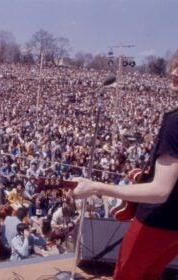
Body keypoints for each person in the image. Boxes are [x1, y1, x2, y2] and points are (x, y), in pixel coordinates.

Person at [72, 51, 178, 279]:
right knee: (150, 275)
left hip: (157, 221)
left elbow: (160, 191)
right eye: (175, 65)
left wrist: (97, 187)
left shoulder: (174, 122)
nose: (173, 72)